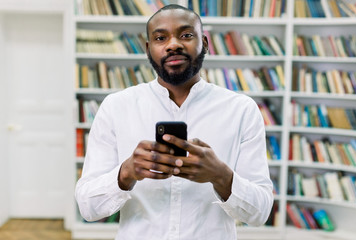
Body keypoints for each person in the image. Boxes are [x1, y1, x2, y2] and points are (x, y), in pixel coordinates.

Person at [75, 4, 274, 240]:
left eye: (186, 35)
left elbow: (260, 213)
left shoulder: (242, 110)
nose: (173, 44)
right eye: (161, 38)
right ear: (148, 48)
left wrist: (221, 176)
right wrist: (126, 173)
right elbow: (88, 208)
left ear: (205, 43)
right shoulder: (116, 107)